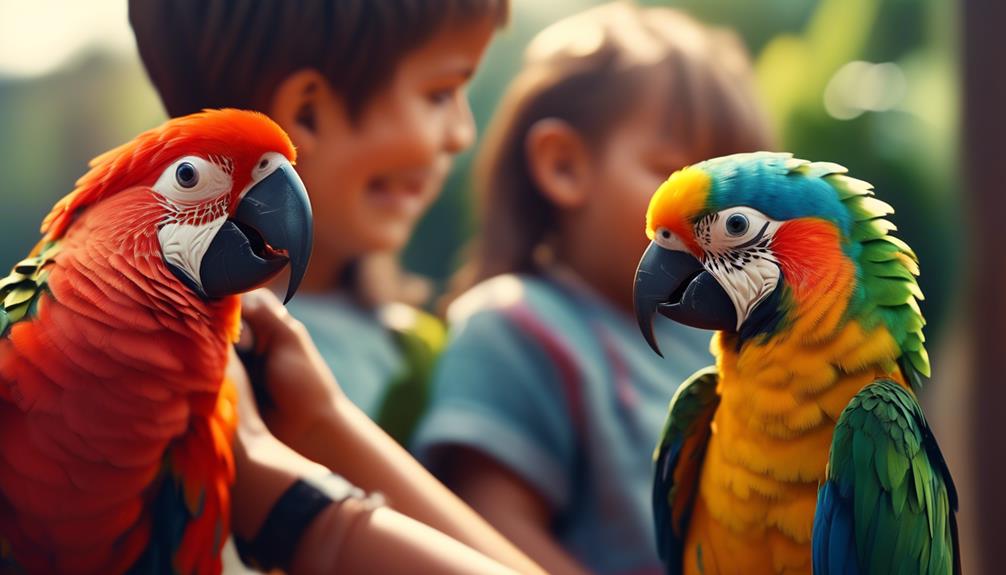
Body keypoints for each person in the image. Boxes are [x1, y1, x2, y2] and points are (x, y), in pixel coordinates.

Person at [129, 1, 544, 573]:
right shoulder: (128, 371)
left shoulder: (419, 358)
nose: (461, 134)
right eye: (440, 93)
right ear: (307, 113)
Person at [411, 3, 773, 573]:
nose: (720, 223)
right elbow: (483, 531)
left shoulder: (734, 350)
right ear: (565, 166)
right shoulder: (518, 327)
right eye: (677, 176)